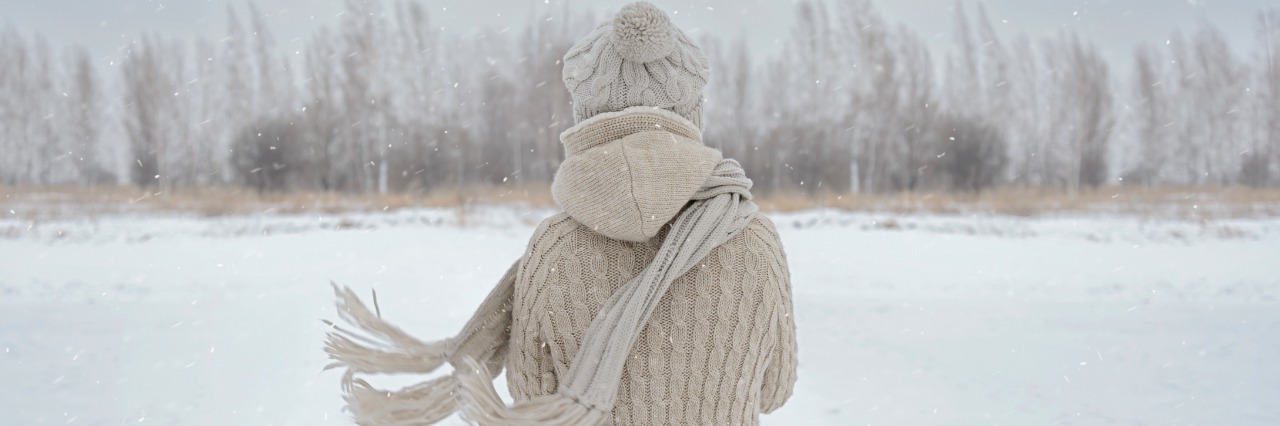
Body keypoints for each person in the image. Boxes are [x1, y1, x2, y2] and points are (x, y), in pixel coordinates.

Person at [324, 2, 796, 425]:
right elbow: (774, 390)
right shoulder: (753, 237)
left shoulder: (555, 247)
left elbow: (530, 392)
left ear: (584, 116)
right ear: (692, 115)